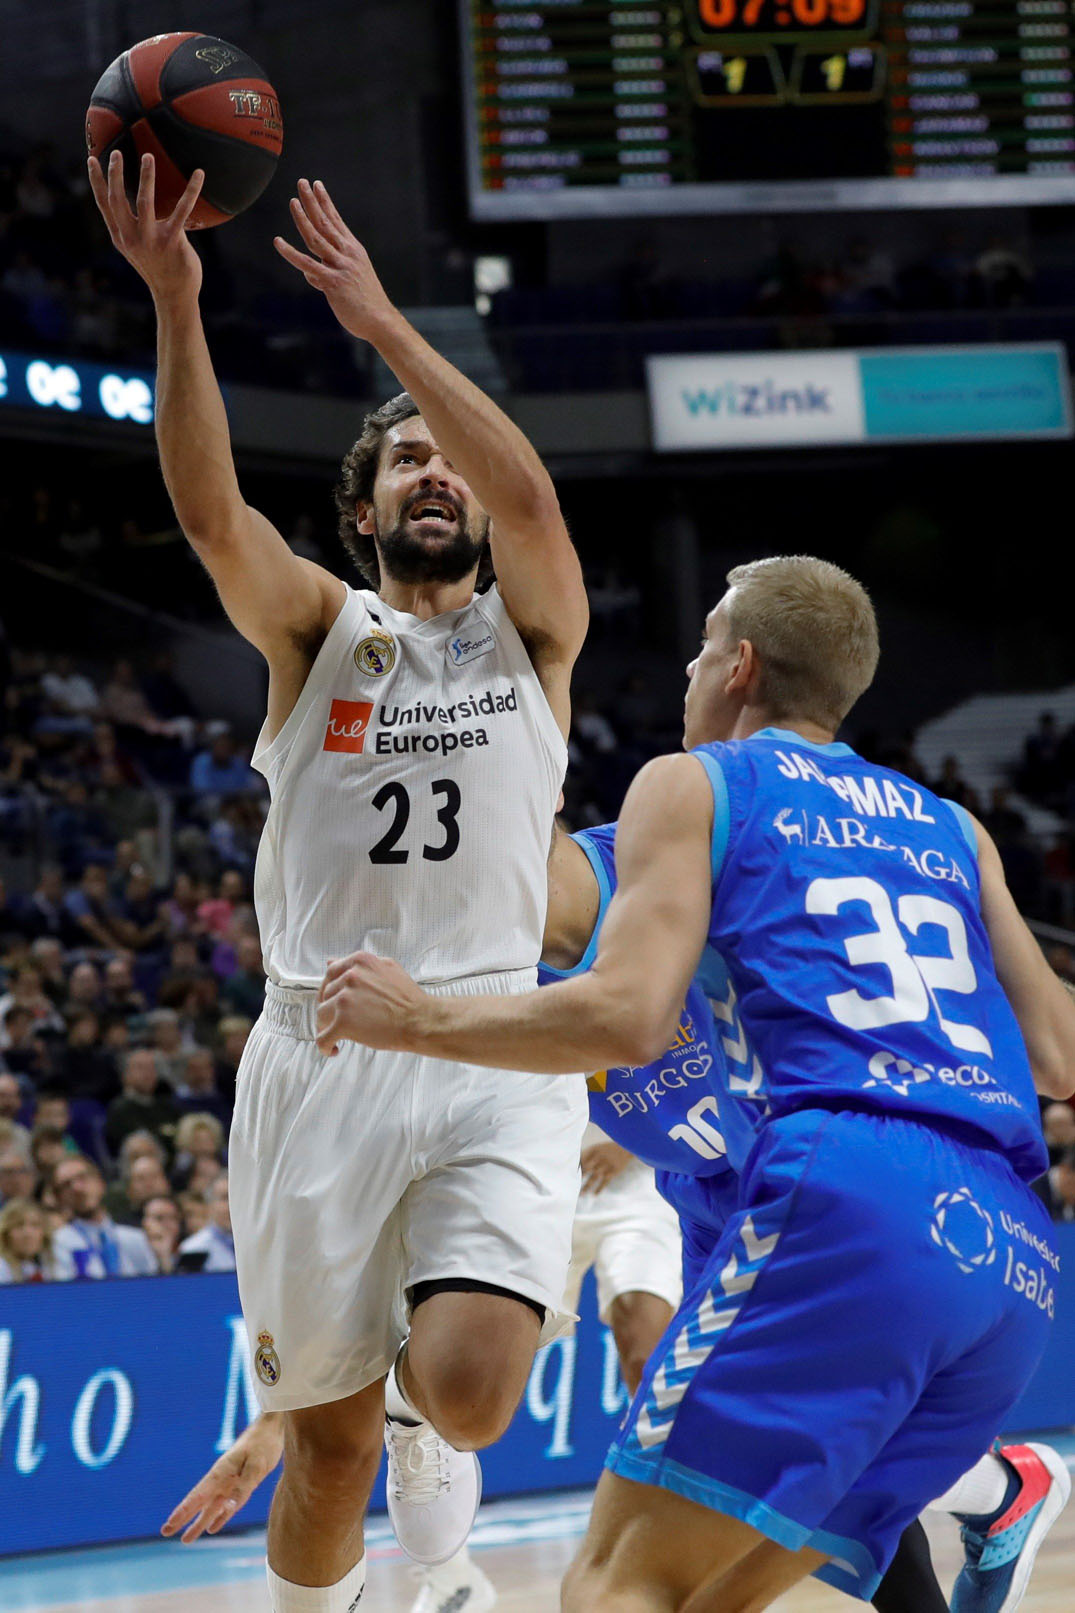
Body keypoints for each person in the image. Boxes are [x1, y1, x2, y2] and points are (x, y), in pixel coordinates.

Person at [318, 555, 1075, 1613]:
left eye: (702, 639)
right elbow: (1059, 1053)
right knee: (727, 1587)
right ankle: (998, 1485)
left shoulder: (685, 805)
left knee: (619, 1585)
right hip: (1009, 1251)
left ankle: (996, 1484)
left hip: (844, 1191)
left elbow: (619, 1010)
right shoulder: (954, 826)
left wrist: (414, 1021)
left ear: (739, 663)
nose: (686, 660)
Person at [88, 149, 589, 1613]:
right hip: (319, 1051)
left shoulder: (532, 634)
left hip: (491, 1034)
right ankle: (339, 1599)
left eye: (450, 459)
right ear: (364, 515)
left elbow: (537, 499)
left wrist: (385, 330)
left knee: (475, 1390)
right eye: (405, 462)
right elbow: (210, 516)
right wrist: (179, 304)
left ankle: (433, 1473)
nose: (437, 472)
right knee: (322, 1456)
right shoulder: (322, 631)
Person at [52, 1155, 157, 1277]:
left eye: (82, 1178)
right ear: (59, 1198)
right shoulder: (58, 1243)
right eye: (66, 1185)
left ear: (100, 1182)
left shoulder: (136, 1237)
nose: (77, 1188)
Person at [0, 1196, 71, 1282]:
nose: (28, 1233)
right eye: (19, 1225)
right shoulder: (2, 1268)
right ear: (5, 1233)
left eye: (35, 1225)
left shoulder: (52, 1267)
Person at [176, 1172, 235, 1272]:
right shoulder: (193, 1248)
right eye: (225, 1198)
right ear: (209, 1205)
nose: (232, 1204)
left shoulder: (259, 1241)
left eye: (236, 1197)